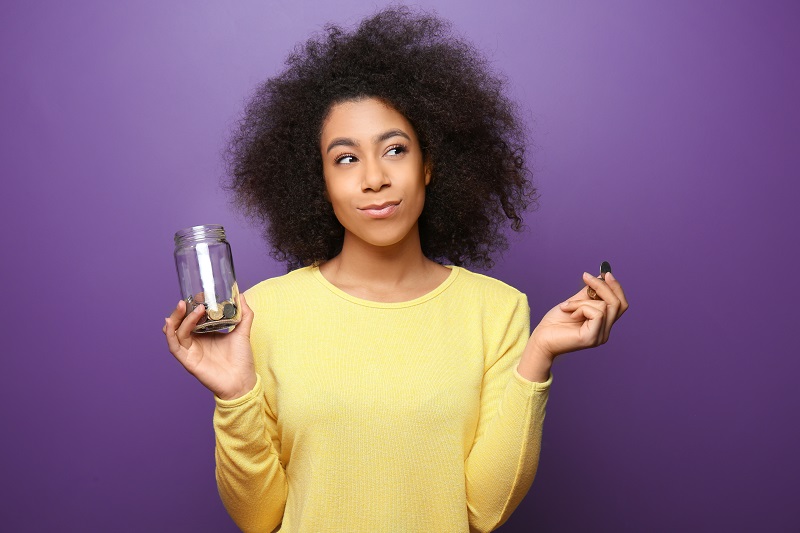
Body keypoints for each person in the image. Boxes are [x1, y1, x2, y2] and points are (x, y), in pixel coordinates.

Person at [163, 7, 628, 533]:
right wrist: (234, 397)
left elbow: (482, 511)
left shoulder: (498, 310)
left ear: (428, 164)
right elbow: (258, 518)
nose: (375, 178)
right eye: (345, 158)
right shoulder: (261, 312)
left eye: (395, 150)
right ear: (317, 180)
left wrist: (538, 357)